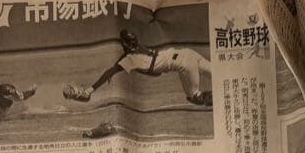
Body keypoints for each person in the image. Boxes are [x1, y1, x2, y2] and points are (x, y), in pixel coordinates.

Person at [64, 29, 212, 105]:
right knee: (217, 73)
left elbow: (110, 71)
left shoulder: (128, 59)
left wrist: (90, 89)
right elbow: (154, 72)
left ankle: (210, 98)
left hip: (184, 63)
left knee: (195, 97)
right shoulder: (138, 49)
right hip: (187, 53)